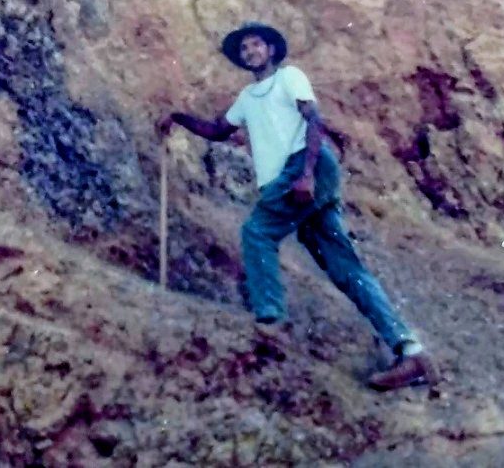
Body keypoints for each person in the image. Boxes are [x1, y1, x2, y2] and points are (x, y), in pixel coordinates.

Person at [160, 22, 436, 391]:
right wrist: (177, 118)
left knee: (257, 232)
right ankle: (411, 351)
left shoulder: (290, 77)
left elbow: (313, 120)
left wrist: (305, 174)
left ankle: (270, 320)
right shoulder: (247, 98)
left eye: (256, 45)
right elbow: (217, 131)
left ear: (271, 50)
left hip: (304, 167)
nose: (250, 52)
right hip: (295, 178)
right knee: (345, 270)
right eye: (244, 49)